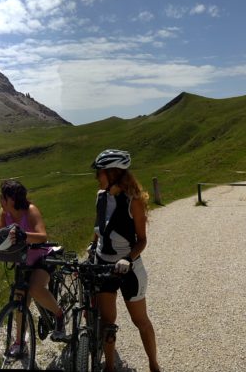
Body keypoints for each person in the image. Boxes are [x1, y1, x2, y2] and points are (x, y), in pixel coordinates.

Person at [90, 149, 161, 372]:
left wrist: (128, 259)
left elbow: (142, 240)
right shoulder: (100, 196)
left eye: (100, 172)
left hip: (129, 269)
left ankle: (154, 365)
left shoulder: (134, 201)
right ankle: (109, 367)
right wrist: (92, 247)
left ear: (113, 174)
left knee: (140, 321)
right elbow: (99, 227)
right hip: (103, 265)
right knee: (107, 322)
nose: (96, 177)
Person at [0, 180, 66, 358]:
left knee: (35, 288)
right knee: (20, 298)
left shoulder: (31, 210)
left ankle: (59, 315)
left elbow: (42, 236)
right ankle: (20, 343)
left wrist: (23, 235)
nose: (0, 199)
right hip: (22, 260)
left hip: (42, 257)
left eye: (3, 197)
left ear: (12, 199)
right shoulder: (4, 212)